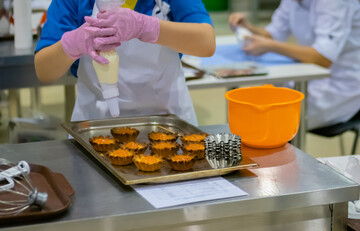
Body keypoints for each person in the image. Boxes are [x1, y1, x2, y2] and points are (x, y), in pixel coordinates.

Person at [34, 0, 215, 126]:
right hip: (95, 127)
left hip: (167, 125)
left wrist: (147, 27)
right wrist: (72, 44)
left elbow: (206, 42)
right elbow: (44, 70)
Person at [229, 0, 360, 130]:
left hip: (342, 86)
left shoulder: (337, 3)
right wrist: (248, 27)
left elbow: (323, 58)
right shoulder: (293, 1)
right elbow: (274, 33)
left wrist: (269, 46)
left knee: (268, 122)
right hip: (310, 76)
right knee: (253, 106)